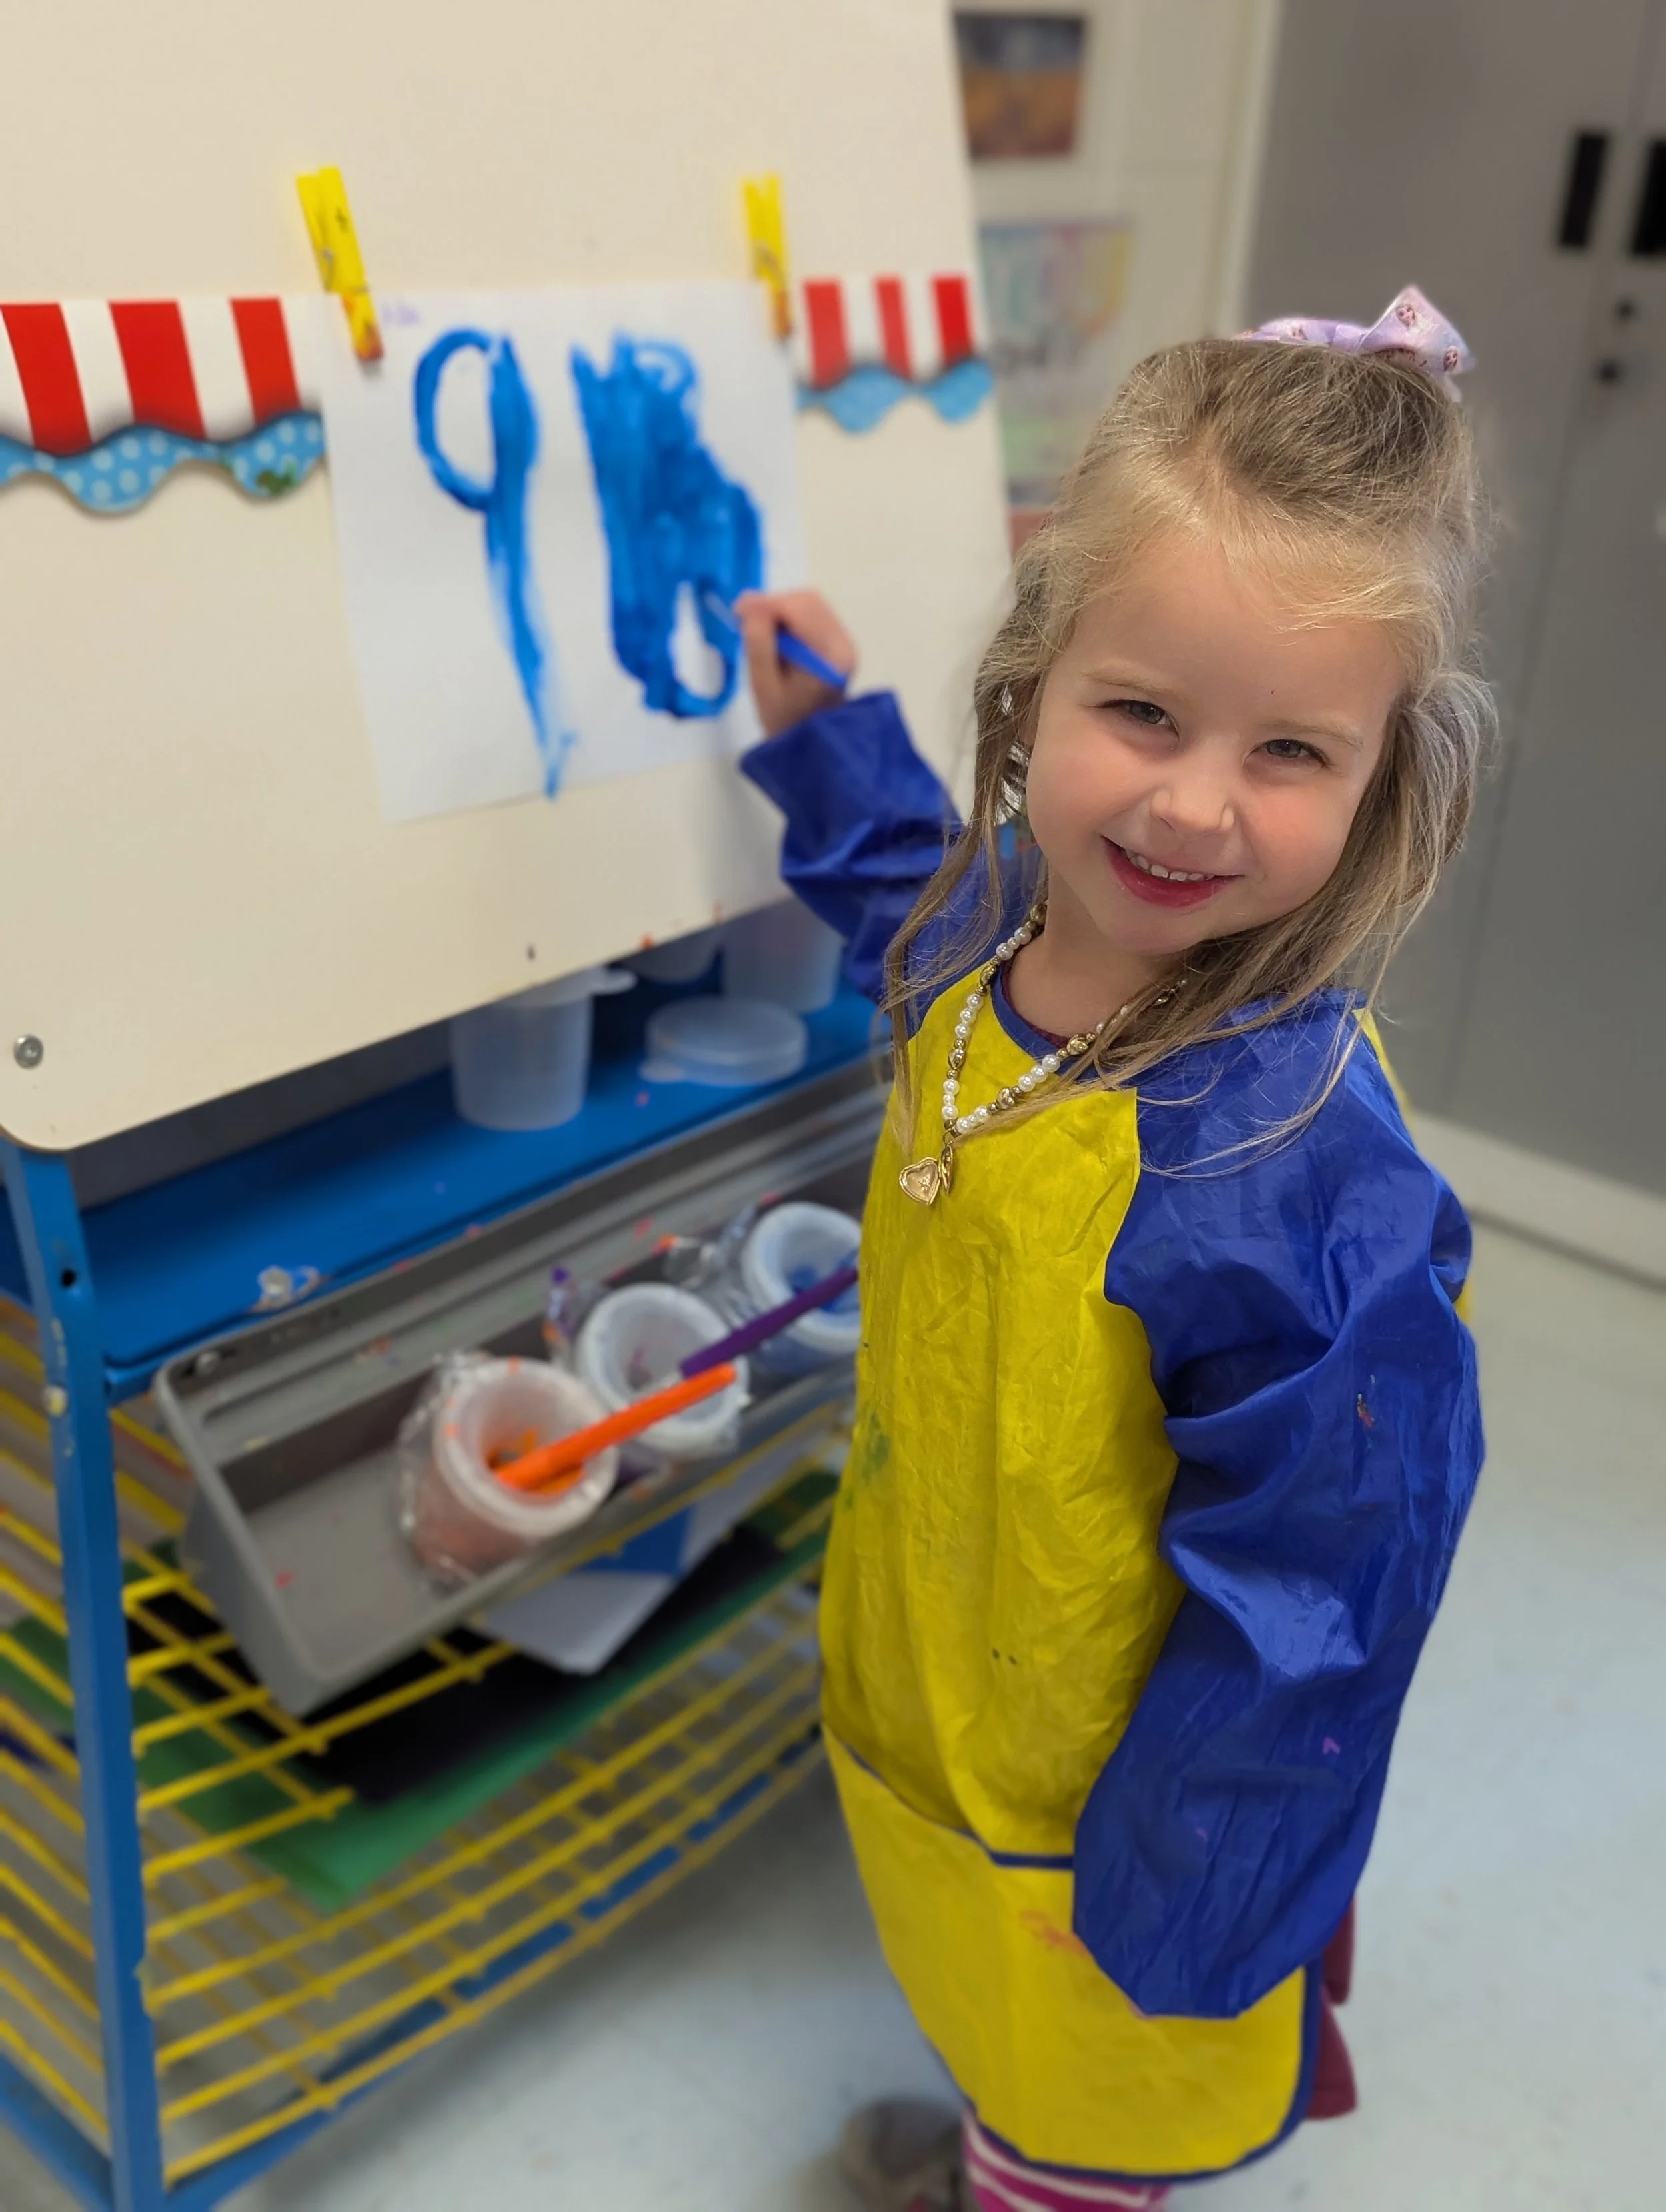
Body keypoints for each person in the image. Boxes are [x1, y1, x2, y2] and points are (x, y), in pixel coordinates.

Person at [732, 289, 1491, 2212]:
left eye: (1289, 753)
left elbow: (1326, 1599)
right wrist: (820, 741)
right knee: (988, 2015)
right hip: (941, 1674)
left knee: (1078, 2093)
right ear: (1034, 679)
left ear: (1384, 774)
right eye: (1138, 711)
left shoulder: (1300, 1173)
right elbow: (903, 868)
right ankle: (1006, 2129)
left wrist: (1185, 1885)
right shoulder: (983, 945)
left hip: (1118, 1808)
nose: (1186, 804)